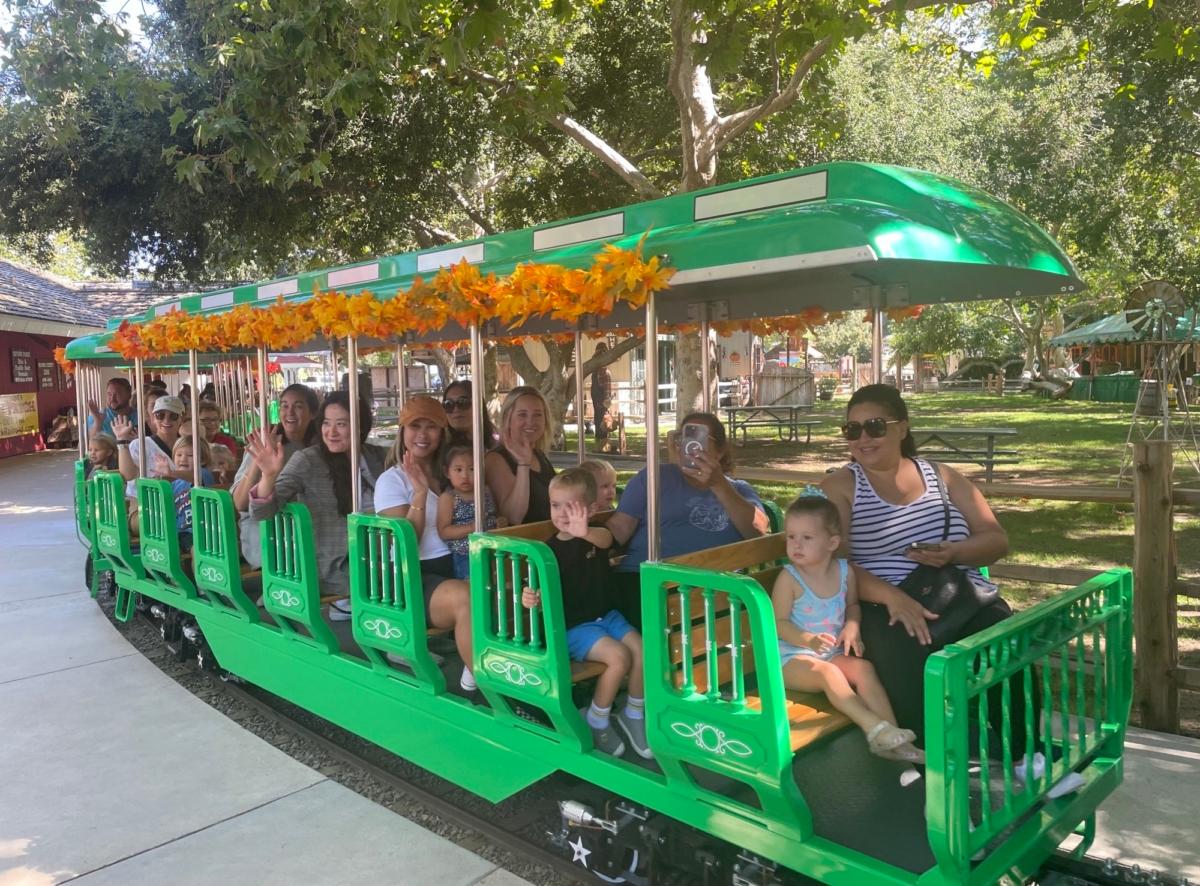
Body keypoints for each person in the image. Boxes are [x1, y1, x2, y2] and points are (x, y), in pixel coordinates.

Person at [820, 385, 1076, 790]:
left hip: (956, 594)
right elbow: (832, 561)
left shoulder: (942, 476)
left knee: (1008, 644)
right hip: (877, 600)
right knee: (908, 651)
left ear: (902, 427)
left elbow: (995, 539)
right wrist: (892, 597)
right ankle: (935, 774)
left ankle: (1026, 755)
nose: (863, 438)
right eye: (851, 430)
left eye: (873, 426)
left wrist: (954, 552)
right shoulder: (841, 487)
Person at [772, 492, 922, 763]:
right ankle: (874, 728)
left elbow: (852, 606)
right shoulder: (789, 578)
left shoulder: (845, 572)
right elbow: (778, 624)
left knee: (863, 668)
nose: (796, 544)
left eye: (807, 538)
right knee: (828, 673)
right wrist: (808, 640)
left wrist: (852, 626)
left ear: (832, 543)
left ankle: (893, 739)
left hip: (828, 653)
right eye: (791, 536)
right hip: (790, 660)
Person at [520, 469, 651, 759]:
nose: (563, 513)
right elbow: (538, 591)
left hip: (607, 617)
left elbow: (606, 540)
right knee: (619, 658)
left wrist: (585, 532)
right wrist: (532, 598)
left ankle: (633, 713)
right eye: (556, 505)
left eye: (572, 506)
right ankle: (597, 719)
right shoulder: (548, 550)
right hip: (576, 627)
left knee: (642, 650)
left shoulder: (597, 536)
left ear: (591, 509)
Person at [605, 412, 769, 628]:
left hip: (709, 586)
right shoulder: (654, 478)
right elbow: (620, 526)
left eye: (700, 438)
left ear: (719, 452)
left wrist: (718, 484)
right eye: (685, 436)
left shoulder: (738, 490)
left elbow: (758, 532)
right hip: (644, 579)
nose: (691, 445)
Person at [246, 391, 385, 618]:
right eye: (326, 423)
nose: (331, 432)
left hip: (380, 553)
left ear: (360, 427)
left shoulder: (377, 456)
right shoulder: (308, 460)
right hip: (338, 564)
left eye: (341, 424)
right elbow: (262, 512)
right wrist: (268, 475)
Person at [376, 396, 477, 694]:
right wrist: (419, 494)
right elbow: (407, 542)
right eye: (414, 426)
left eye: (431, 426)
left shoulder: (452, 475)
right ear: (402, 432)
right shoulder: (391, 481)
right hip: (411, 576)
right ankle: (487, 688)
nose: (422, 434)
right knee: (467, 598)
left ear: (442, 432)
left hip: (455, 563)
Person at [230, 384, 320, 567]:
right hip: (266, 532)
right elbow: (239, 503)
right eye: (285, 406)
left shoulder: (318, 447)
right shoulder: (266, 444)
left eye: (298, 406)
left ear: (313, 413)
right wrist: (259, 460)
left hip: (307, 529)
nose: (290, 413)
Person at [485, 386, 557, 525]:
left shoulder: (539, 455)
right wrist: (523, 465)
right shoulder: (495, 459)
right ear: (508, 418)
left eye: (537, 415)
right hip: (525, 544)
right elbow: (513, 518)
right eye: (522, 414)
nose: (530, 421)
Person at [436, 443, 497, 580]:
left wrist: (500, 521)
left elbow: (492, 515)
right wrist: (472, 527)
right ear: (447, 472)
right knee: (475, 588)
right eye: (458, 470)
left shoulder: (485, 491)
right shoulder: (449, 497)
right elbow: (444, 531)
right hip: (466, 554)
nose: (465, 476)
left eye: (472, 469)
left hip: (491, 548)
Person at [113, 394, 185, 496]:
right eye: (160, 415)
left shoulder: (187, 446)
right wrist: (121, 440)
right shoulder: (140, 445)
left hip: (179, 503)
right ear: (154, 419)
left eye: (173, 416)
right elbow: (128, 475)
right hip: (143, 503)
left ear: (181, 419)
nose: (166, 420)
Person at [170, 435, 216, 552]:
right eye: (179, 455)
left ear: (203, 460)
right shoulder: (174, 485)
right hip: (183, 532)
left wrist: (171, 472)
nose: (183, 459)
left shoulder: (205, 474)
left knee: (197, 549)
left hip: (205, 529)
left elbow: (196, 477)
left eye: (190, 455)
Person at [442, 379, 497, 449]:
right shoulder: (439, 449)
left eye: (463, 402)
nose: (456, 409)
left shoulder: (496, 446)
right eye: (448, 404)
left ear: (478, 405)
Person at [590, 343, 612, 441]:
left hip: (597, 398)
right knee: (603, 419)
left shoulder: (595, 370)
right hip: (601, 398)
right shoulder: (604, 371)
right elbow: (607, 388)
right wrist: (607, 401)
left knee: (599, 418)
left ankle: (600, 441)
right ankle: (603, 441)